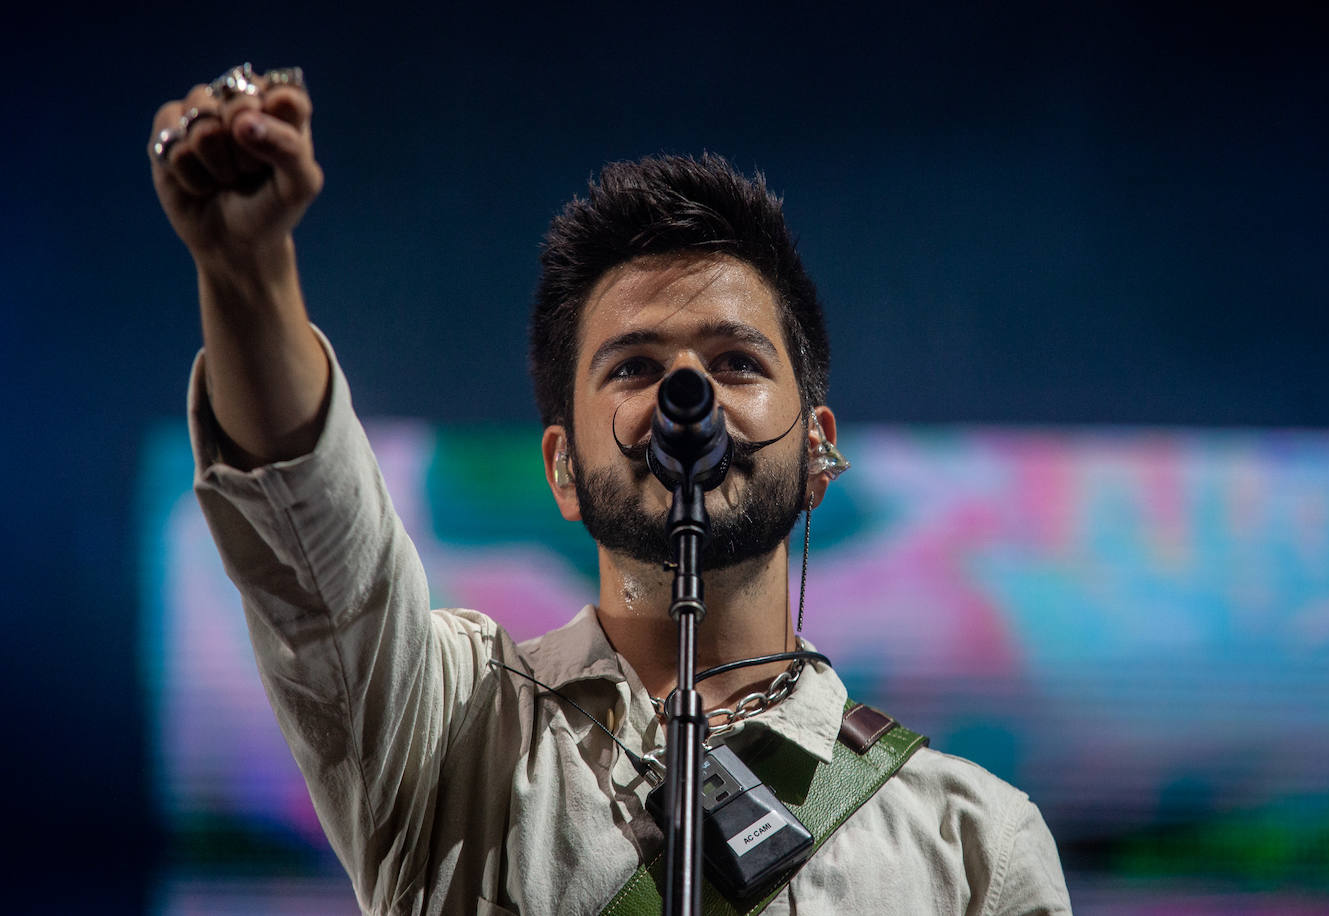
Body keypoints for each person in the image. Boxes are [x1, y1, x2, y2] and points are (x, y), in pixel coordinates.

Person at [149, 63, 1072, 915]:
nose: (689, 393)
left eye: (737, 360)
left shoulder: (974, 842)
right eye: (633, 367)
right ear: (561, 466)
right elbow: (317, 558)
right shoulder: (451, 725)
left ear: (818, 450)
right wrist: (246, 272)